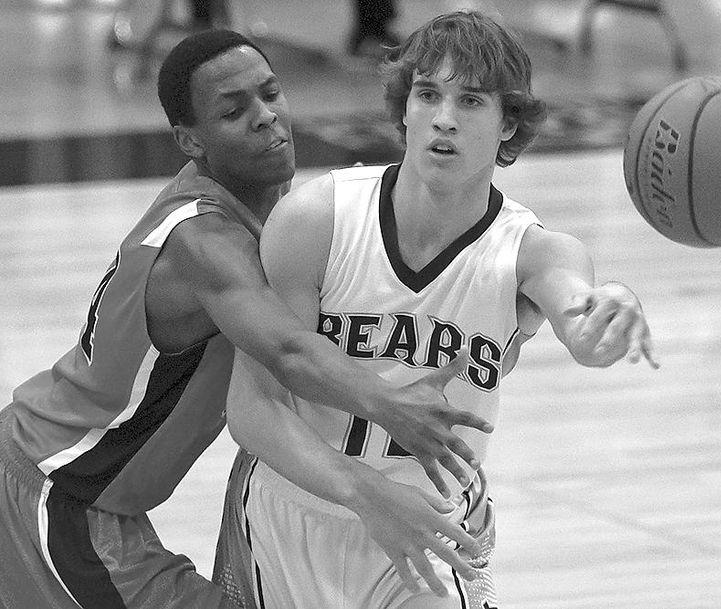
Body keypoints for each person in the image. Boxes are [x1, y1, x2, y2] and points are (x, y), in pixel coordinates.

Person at [0, 29, 497, 609]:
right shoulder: (201, 240)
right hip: (58, 491)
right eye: (235, 111)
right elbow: (288, 353)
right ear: (191, 140)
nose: (266, 118)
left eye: (270, 93)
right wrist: (391, 404)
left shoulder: (277, 198)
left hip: (99, 494)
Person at [214, 10, 658, 609]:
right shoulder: (316, 220)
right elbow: (251, 408)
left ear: (509, 125)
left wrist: (614, 307)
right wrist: (363, 492)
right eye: (428, 94)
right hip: (288, 516)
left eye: (471, 101)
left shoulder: (533, 254)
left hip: (430, 535)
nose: (444, 119)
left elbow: (585, 330)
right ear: (404, 108)